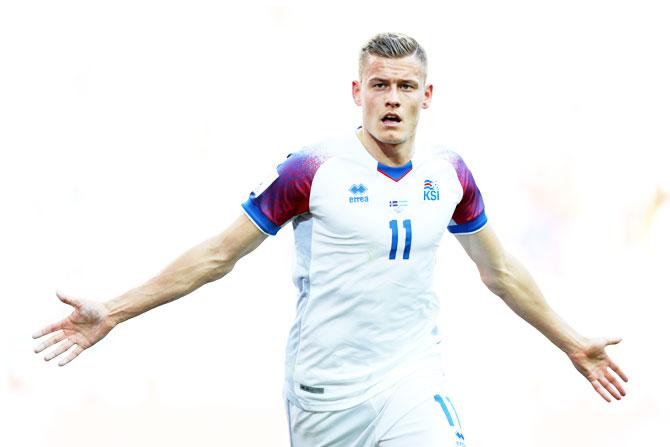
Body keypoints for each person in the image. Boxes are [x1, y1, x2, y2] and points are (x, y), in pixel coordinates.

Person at [33, 33, 627, 446]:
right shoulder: (312, 169)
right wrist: (112, 311)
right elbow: (218, 255)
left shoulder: (450, 173)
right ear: (357, 91)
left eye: (404, 85)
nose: (391, 98)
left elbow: (500, 272)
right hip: (325, 393)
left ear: (427, 95)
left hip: (412, 379)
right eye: (379, 85)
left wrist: (572, 342)